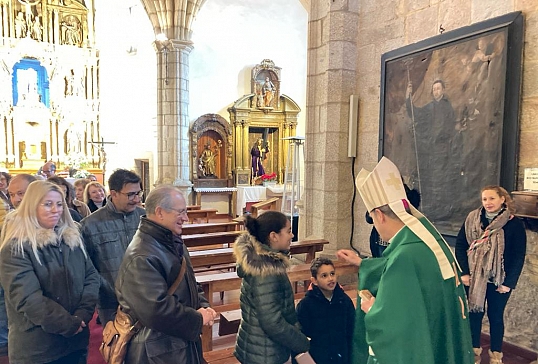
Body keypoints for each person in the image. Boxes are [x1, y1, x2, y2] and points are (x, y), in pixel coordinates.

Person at [336, 157, 474, 364]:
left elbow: (396, 327)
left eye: (373, 219)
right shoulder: (426, 242)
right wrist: (363, 263)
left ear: (380, 216)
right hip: (439, 340)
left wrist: (372, 310)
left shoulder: (404, 257)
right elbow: (408, 275)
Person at [116, 186, 217, 364]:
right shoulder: (141, 255)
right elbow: (156, 310)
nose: (185, 218)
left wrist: (202, 304)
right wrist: (197, 318)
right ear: (160, 212)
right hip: (158, 351)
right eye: (180, 212)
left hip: (179, 344)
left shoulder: (170, 241)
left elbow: (188, 281)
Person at [0, 181, 99, 364]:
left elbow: (91, 277)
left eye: (59, 204)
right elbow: (28, 298)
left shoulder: (71, 239)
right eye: (48, 204)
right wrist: (68, 324)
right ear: (31, 206)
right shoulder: (16, 247)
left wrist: (82, 315)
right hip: (38, 347)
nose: (56, 210)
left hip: (76, 341)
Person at [455, 186, 526, 364]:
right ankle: (474, 354)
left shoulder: (513, 223)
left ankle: (495, 356)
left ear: (502, 199)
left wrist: (509, 282)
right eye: (485, 199)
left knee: (495, 317)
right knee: (474, 314)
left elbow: (518, 255)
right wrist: (464, 272)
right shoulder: (472, 219)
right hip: (474, 278)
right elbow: (461, 245)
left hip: (499, 280)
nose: (488, 203)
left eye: (492, 198)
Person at [233, 211, 310, 364]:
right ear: (274, 236)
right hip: (264, 353)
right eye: (288, 231)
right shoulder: (266, 271)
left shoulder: (263, 262)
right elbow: (272, 322)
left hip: (258, 347)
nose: (292, 235)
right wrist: (301, 342)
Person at [80, 169, 145, 324]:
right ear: (114, 193)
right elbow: (88, 268)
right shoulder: (90, 225)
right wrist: (108, 289)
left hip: (146, 297)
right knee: (118, 347)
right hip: (111, 303)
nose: (136, 199)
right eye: (131, 194)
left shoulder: (146, 217)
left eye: (139, 193)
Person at [405, 79, 461, 224]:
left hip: (443, 150)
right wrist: (408, 96)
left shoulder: (448, 108)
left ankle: (442, 209)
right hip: (431, 150)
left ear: (443, 90)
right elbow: (415, 113)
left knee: (441, 178)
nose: (436, 91)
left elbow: (450, 129)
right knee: (430, 177)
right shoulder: (430, 107)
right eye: (434, 89)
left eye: (438, 88)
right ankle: (432, 208)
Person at [296, 257, 355, 364]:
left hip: (341, 357)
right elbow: (299, 338)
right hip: (318, 358)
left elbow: (351, 332)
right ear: (314, 280)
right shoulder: (306, 305)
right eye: (324, 276)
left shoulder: (344, 301)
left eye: (332, 274)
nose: (330, 279)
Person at [366, 183, 420, 257]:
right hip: (380, 242)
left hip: (397, 241)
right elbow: (368, 219)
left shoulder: (404, 194)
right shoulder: (379, 197)